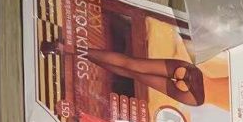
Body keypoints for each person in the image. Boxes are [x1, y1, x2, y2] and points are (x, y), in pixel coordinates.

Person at [40, 42, 229, 108]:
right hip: (195, 97)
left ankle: (64, 48)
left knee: (130, 63)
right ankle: (74, 53)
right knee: (131, 73)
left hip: (197, 76)